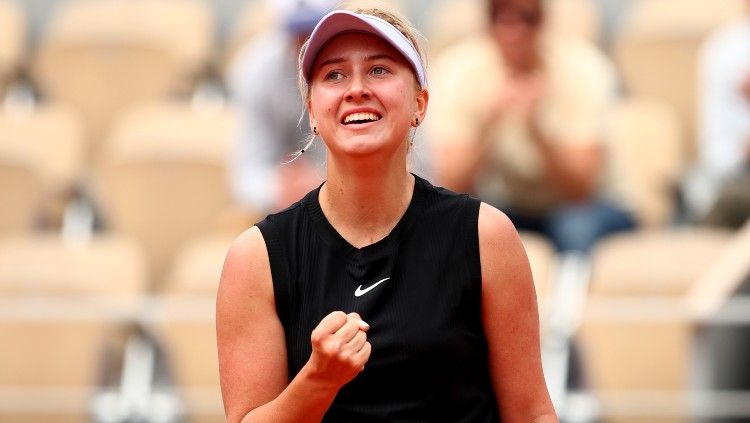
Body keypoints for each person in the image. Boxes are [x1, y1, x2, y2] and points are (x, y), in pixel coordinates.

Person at [216, 7, 557, 422]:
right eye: (334, 75)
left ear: (420, 104)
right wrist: (318, 380)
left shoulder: (486, 235)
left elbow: (532, 414)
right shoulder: (257, 257)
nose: (356, 88)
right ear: (313, 112)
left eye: (379, 70)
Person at [426, 0, 634, 253]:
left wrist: (537, 128)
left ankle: (570, 293)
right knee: (453, 219)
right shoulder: (458, 71)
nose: (515, 31)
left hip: (590, 205)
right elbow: (452, 183)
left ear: (543, 21)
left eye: (527, 19)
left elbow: (581, 189)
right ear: (488, 24)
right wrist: (489, 124)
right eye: (501, 18)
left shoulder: (583, 68)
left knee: (574, 226)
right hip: (508, 203)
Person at [227, 0, 334, 214]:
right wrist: (279, 187)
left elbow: (408, 172)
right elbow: (246, 173)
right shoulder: (253, 70)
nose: (305, 43)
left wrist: (327, 185)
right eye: (298, 32)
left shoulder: (365, 70)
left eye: (316, 31)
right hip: (284, 212)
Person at [685, 0, 750, 228]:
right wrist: (743, 152)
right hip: (739, 178)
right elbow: (715, 154)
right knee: (728, 201)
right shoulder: (725, 49)